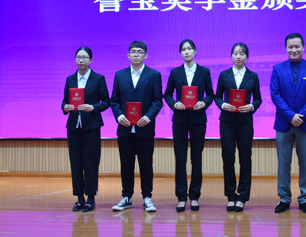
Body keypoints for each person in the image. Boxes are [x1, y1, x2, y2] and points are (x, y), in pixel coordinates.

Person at [270, 33, 306, 214]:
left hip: (305, 123)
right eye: (290, 47)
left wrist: (301, 116)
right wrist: (291, 115)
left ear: (303, 47)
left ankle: (304, 199)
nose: (294, 50)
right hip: (284, 123)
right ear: (286, 48)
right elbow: (275, 94)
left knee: (305, 163)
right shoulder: (277, 68)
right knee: (283, 163)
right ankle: (284, 198)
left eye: (297, 46)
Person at [110, 41, 164, 212]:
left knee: (146, 165)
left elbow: (158, 101)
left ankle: (147, 197)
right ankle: (126, 197)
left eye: (140, 52)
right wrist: (119, 116)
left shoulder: (154, 75)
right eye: (133, 51)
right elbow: (114, 100)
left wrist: (148, 116)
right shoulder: (120, 75)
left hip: (145, 128)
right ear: (128, 55)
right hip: (125, 129)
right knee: (126, 164)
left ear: (145, 55)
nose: (136, 54)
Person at [164, 39, 215, 212]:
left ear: (195, 51)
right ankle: (181, 197)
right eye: (183, 49)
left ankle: (194, 196)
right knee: (180, 158)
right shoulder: (175, 72)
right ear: (180, 53)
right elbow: (167, 94)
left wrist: (204, 103)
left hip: (198, 120)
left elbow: (210, 94)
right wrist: (174, 104)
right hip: (179, 120)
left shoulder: (204, 71)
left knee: (196, 158)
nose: (187, 52)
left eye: (189, 49)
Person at [62, 46, 111, 212]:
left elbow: (106, 101)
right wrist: (65, 107)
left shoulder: (98, 79)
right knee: (76, 163)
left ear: (91, 60)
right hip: (73, 127)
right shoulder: (70, 79)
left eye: (84, 57)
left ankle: (90, 197)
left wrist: (93, 107)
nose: (81, 60)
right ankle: (79, 198)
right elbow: (64, 101)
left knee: (90, 163)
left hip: (91, 127)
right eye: (78, 57)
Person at [214, 43, 262, 212]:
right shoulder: (224, 74)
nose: (238, 56)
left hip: (245, 122)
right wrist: (222, 105)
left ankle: (242, 196)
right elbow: (217, 96)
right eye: (235, 53)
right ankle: (230, 195)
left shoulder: (253, 76)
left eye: (242, 54)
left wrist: (252, 106)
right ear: (232, 56)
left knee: (245, 158)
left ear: (247, 56)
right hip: (227, 122)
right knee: (228, 158)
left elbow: (258, 99)